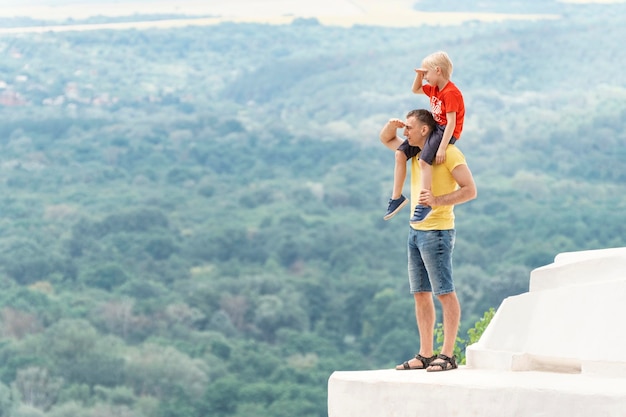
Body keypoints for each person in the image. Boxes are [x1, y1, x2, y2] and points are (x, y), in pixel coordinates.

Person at [379, 109, 477, 372]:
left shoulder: (449, 154)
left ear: (425, 130)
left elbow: (470, 190)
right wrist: (392, 125)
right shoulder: (413, 150)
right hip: (415, 231)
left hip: (438, 232)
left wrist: (437, 201)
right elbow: (386, 139)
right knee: (420, 294)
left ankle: (447, 355)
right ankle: (425, 353)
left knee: (444, 293)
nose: (404, 132)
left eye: (409, 127)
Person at [383, 51, 465, 224]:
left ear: (438, 71)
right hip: (436, 128)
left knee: (424, 161)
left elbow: (451, 123)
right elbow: (416, 89)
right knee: (400, 153)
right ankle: (396, 198)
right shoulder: (435, 89)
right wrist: (419, 75)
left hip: (444, 131)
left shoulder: (450, 93)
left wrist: (442, 147)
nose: (425, 77)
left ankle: (425, 202)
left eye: (426, 73)